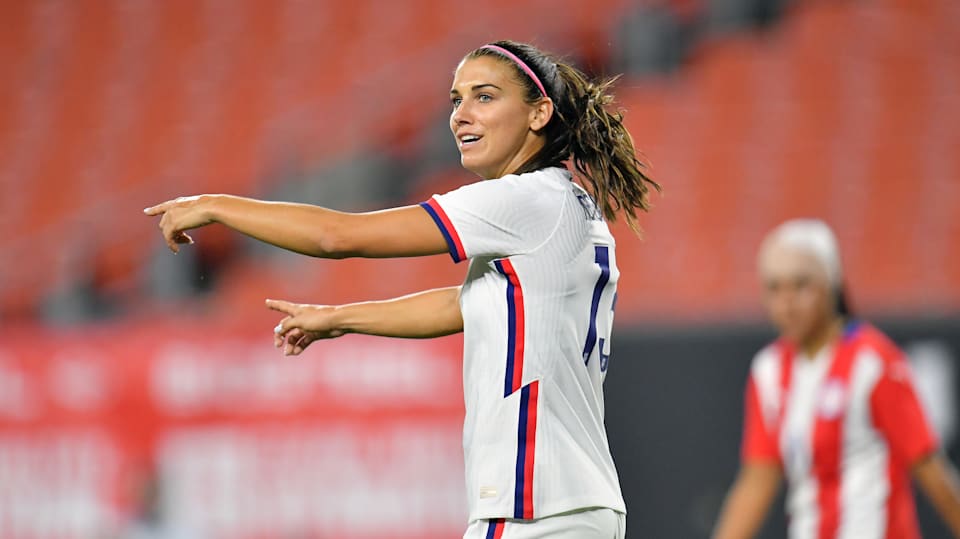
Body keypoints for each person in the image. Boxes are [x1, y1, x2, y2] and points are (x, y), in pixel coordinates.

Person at [144, 40, 659, 539]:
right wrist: (339, 318)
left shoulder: (521, 200)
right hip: (581, 503)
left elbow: (338, 236)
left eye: (484, 96)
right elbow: (463, 304)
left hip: (533, 506)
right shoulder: (565, 202)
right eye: (456, 100)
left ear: (538, 113)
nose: (460, 114)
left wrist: (215, 205)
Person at [712, 219, 960, 539]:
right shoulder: (768, 370)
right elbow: (757, 481)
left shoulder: (874, 362)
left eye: (801, 285)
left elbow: (933, 473)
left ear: (831, 284)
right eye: (774, 288)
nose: (787, 301)